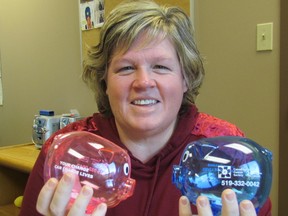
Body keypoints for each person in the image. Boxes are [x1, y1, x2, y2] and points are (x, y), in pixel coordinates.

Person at [20, 0, 272, 215]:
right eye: (126, 68)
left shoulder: (228, 153)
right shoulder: (66, 153)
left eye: (161, 67)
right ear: (104, 81)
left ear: (185, 78)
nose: (143, 82)